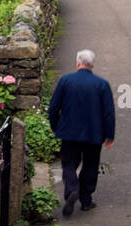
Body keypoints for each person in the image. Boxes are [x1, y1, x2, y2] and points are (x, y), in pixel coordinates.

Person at [47, 49, 115, 217]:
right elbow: (108, 112)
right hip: (94, 133)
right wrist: (109, 134)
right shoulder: (102, 84)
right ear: (92, 65)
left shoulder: (66, 81)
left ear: (78, 62)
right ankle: (86, 200)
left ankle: (71, 190)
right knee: (91, 165)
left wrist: (54, 125)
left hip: (70, 132)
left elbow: (54, 106)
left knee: (69, 163)